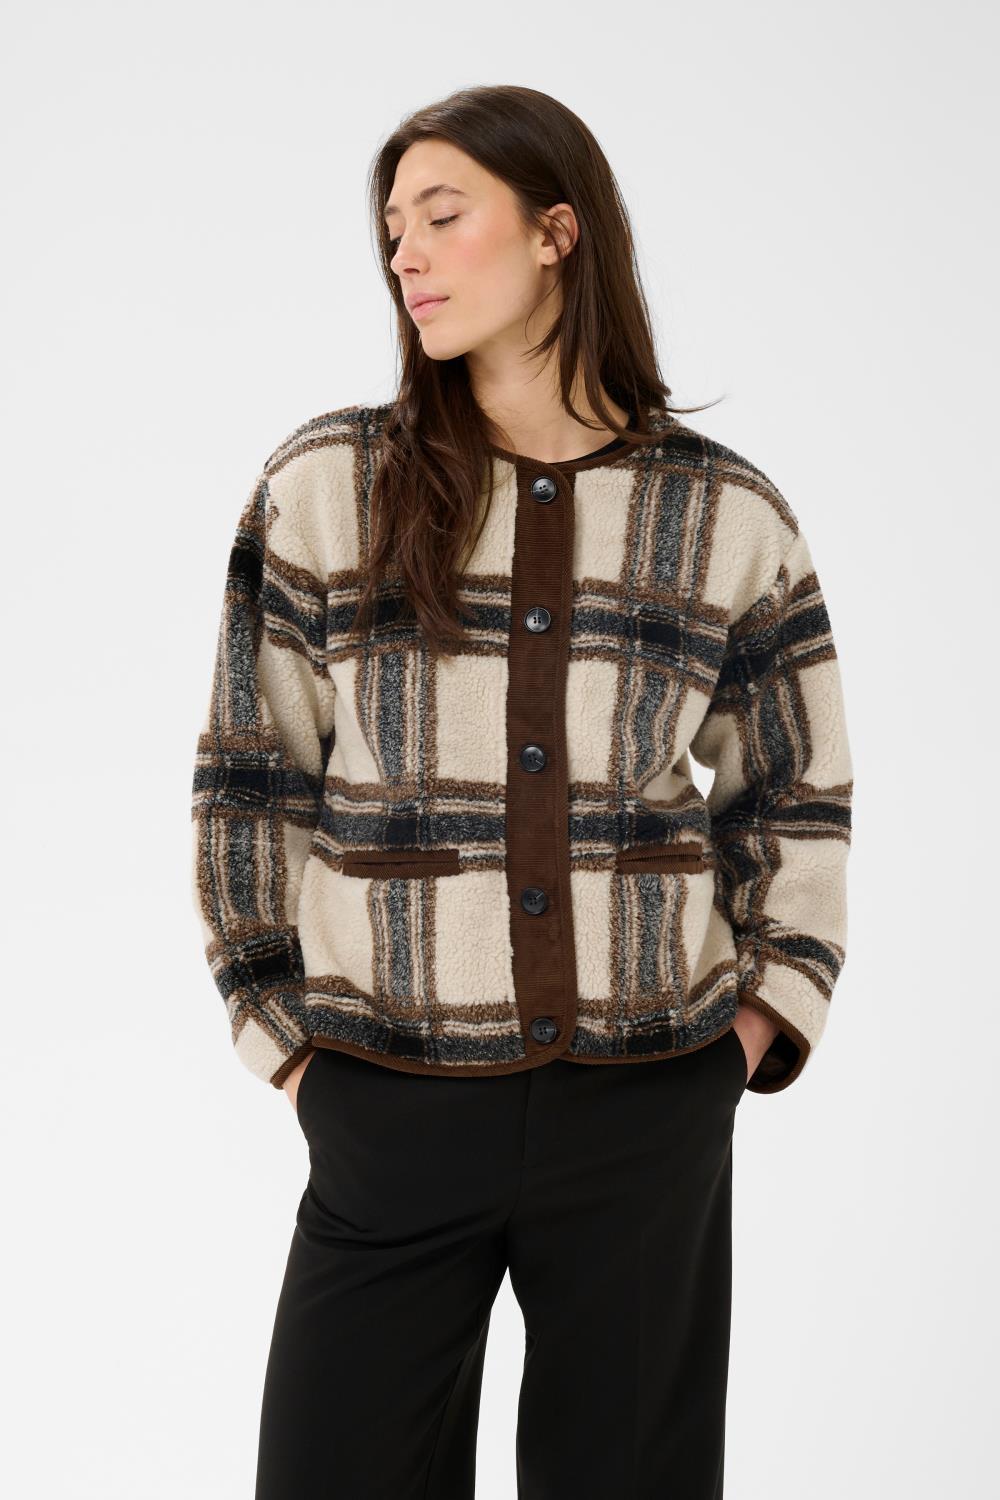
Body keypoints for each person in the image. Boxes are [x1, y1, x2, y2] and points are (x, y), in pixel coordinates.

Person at [190, 84, 853, 1500]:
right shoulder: (329, 486)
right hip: (386, 1095)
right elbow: (251, 781)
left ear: (558, 233)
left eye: (444, 216)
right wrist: (292, 1046)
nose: (407, 255)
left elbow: (794, 790)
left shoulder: (722, 513)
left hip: (648, 1097)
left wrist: (750, 1030)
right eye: (392, 229)